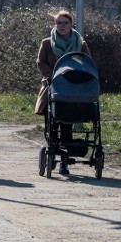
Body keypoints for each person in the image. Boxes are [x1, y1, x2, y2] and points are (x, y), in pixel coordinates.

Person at [35, 10, 90, 175]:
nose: (62, 26)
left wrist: (74, 75)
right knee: (51, 124)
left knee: (67, 124)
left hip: (72, 88)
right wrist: (53, 74)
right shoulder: (47, 43)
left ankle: (64, 161)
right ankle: (53, 151)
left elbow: (87, 63)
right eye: (59, 23)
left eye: (65, 23)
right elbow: (41, 62)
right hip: (52, 85)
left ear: (71, 24)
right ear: (55, 25)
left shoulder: (80, 43)